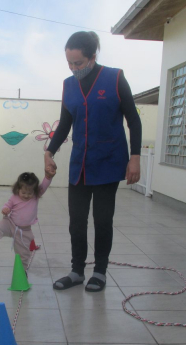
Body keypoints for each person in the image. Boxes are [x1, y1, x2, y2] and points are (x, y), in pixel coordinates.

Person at [45, 31, 141, 292]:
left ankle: (99, 271)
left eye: (78, 63)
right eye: (69, 63)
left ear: (92, 57)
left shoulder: (115, 78)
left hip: (109, 162)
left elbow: (133, 120)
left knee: (102, 220)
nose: (74, 68)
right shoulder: (69, 85)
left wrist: (135, 157)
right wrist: (49, 152)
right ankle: (77, 271)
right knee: (76, 221)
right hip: (80, 165)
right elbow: (65, 124)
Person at [0, 171, 55, 269]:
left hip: (25, 231)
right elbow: (7, 205)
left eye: (29, 193)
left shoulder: (35, 197)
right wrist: (5, 209)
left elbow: (44, 186)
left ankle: (22, 270)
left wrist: (48, 177)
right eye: (23, 192)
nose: (26, 195)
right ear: (18, 189)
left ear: (35, 192)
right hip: (10, 223)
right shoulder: (14, 197)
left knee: (24, 253)